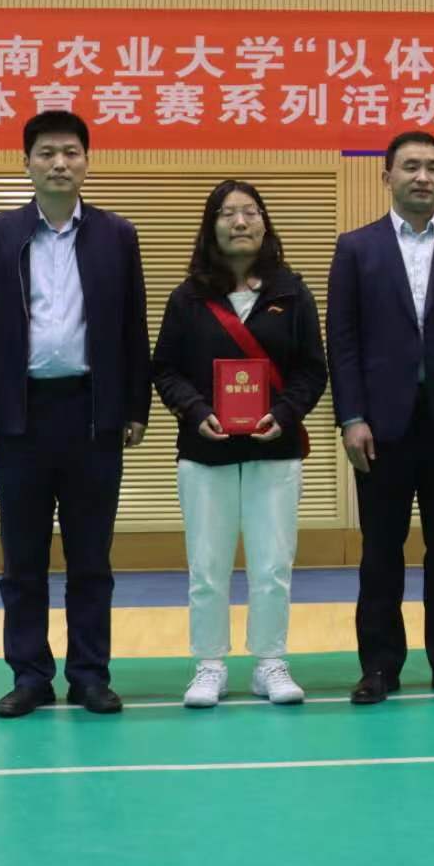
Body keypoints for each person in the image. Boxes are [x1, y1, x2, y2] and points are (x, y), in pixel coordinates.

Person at [0, 110, 150, 718]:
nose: (59, 163)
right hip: (21, 417)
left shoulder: (117, 236)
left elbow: (133, 327)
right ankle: (30, 675)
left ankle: (90, 675)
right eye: (46, 153)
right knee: (23, 561)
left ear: (87, 162)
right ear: (27, 163)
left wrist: (136, 406)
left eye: (71, 152)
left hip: (93, 415)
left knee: (91, 559)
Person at [327, 131, 434, 704]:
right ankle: (379, 666)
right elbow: (343, 342)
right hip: (380, 428)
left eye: (432, 166)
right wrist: (351, 417)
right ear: (388, 177)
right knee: (381, 550)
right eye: (410, 166)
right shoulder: (356, 248)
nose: (422, 176)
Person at [151, 180, 329, 707]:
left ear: (265, 223)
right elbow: (165, 369)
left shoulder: (291, 294)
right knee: (207, 568)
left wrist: (285, 413)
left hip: (274, 450)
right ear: (211, 227)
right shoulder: (186, 299)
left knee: (273, 566)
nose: (240, 222)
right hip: (205, 454)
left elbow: (312, 370)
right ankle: (209, 665)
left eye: (250, 211)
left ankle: (270, 662)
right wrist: (196, 411)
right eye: (227, 213)